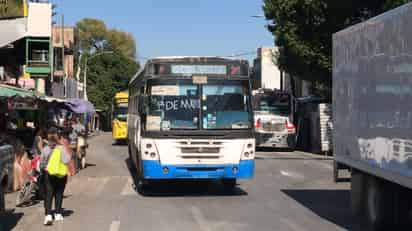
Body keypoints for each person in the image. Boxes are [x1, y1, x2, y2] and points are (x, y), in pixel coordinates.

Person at [40, 127, 71, 226]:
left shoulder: (45, 149)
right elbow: (66, 160)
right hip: (61, 175)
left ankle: (48, 215)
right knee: (59, 194)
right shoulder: (61, 148)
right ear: (58, 137)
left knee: (49, 194)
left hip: (49, 175)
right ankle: (57, 214)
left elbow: (41, 164)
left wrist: (45, 168)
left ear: (48, 137)